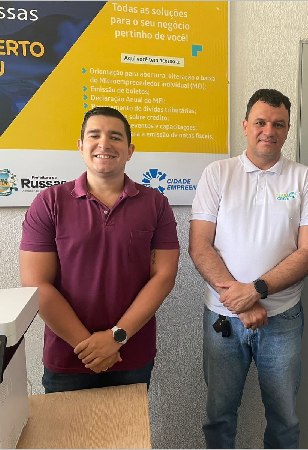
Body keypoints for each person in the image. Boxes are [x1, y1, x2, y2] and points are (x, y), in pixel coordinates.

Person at [189, 89, 308, 449]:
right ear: (245, 125)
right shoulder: (218, 173)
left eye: (279, 124)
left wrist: (255, 292)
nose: (269, 131)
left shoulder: (304, 179)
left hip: (282, 318)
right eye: (261, 122)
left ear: (288, 129)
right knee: (219, 415)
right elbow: (200, 246)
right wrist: (241, 302)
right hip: (223, 318)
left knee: (284, 418)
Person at [20, 106, 180, 393]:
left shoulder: (156, 204)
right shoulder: (49, 203)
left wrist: (116, 338)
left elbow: (164, 276)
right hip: (69, 357)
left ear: (130, 150)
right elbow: (36, 284)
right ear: (81, 146)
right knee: (67, 426)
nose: (104, 144)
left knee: (129, 426)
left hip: (132, 356)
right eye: (94, 135)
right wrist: (89, 346)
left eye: (115, 137)